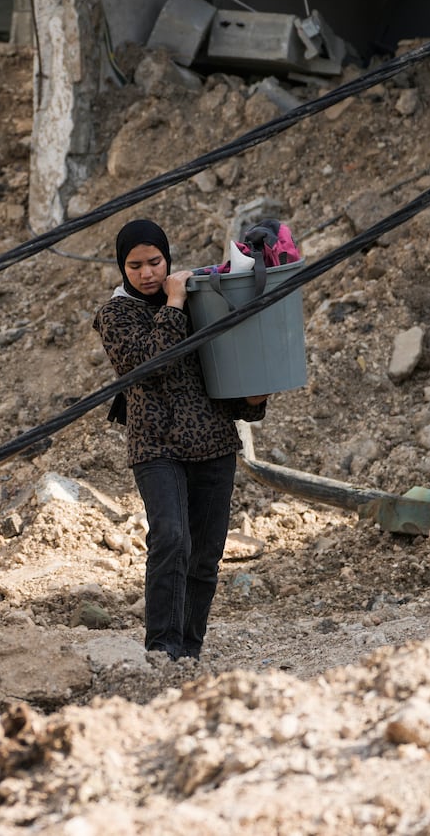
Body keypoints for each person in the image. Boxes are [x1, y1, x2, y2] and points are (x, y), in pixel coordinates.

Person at [92, 219, 269, 661]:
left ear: (167, 259)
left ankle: (188, 650)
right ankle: (162, 648)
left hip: (213, 441)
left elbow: (221, 370)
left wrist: (253, 398)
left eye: (155, 262)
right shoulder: (115, 315)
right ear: (122, 267)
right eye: (135, 265)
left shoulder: (199, 302)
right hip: (155, 446)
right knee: (171, 538)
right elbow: (153, 365)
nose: (147, 273)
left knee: (206, 553)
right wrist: (174, 302)